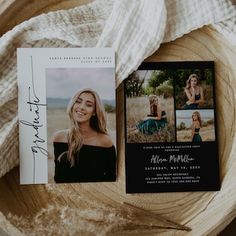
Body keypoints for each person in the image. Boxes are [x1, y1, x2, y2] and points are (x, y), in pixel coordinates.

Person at [53, 88, 116, 183]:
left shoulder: (105, 142)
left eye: (89, 105)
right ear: (73, 105)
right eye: (78, 102)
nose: (81, 107)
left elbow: (111, 179)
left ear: (94, 112)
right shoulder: (59, 137)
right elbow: (58, 177)